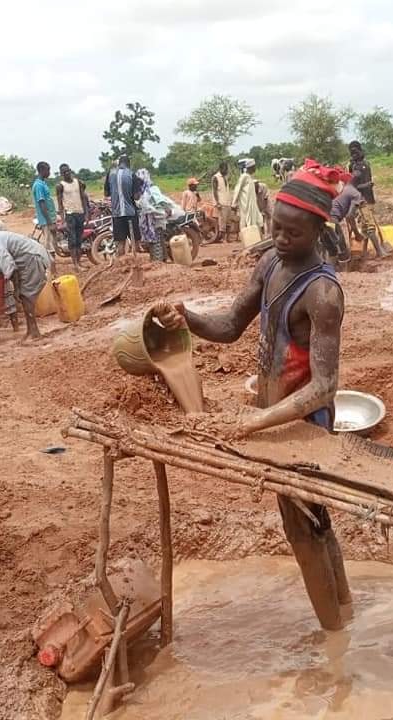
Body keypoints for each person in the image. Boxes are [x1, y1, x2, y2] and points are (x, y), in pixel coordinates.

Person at [152, 160, 352, 631]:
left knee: (304, 531)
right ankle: (344, 613)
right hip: (273, 417)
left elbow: (325, 385)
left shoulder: (322, 294)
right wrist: (189, 317)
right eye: (275, 228)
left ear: (318, 229)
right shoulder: (270, 264)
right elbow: (228, 326)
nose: (280, 239)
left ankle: (335, 648)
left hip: (304, 427)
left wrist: (254, 423)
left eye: (292, 233)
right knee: (316, 521)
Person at [331, 175, 383, 258]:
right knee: (339, 245)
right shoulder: (355, 194)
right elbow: (349, 216)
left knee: (330, 244)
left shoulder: (344, 190)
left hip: (323, 215)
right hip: (333, 218)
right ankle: (380, 252)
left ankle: (364, 254)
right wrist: (356, 233)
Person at [56, 163, 91, 270]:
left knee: (80, 239)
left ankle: (79, 262)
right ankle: (75, 264)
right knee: (73, 240)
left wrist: (86, 214)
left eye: (68, 171)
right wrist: (63, 219)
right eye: (64, 172)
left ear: (70, 170)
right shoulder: (60, 186)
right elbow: (60, 203)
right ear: (61, 174)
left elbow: (83, 198)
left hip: (80, 213)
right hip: (70, 215)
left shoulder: (78, 182)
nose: (67, 173)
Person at [136, 169, 174, 262]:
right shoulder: (143, 190)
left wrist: (166, 209)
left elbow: (160, 201)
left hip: (156, 218)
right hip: (151, 219)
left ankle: (158, 261)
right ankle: (158, 260)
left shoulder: (152, 189)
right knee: (154, 240)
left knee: (156, 239)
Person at [108, 155, 141, 253]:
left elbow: (106, 193)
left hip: (116, 214)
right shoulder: (132, 174)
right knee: (135, 241)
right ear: (128, 163)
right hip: (130, 212)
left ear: (119, 163)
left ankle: (121, 264)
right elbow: (136, 197)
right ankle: (135, 262)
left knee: (120, 243)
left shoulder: (110, 174)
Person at [231, 159, 265, 237]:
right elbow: (237, 189)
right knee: (245, 221)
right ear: (251, 167)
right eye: (254, 167)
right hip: (245, 205)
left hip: (252, 204)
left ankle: (255, 237)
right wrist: (234, 203)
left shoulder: (250, 177)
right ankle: (246, 238)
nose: (255, 169)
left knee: (258, 220)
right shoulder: (244, 176)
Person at [32, 161, 58, 258]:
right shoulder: (39, 185)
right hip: (46, 220)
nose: (49, 173)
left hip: (50, 218)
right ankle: (51, 269)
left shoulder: (43, 183)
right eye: (48, 170)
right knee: (49, 245)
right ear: (42, 170)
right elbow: (42, 204)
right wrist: (50, 222)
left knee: (53, 243)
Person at [211, 161, 232, 242]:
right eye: (225, 169)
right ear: (221, 169)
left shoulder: (225, 177)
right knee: (222, 222)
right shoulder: (215, 177)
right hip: (221, 203)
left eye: (227, 169)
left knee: (228, 221)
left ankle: (228, 238)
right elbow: (215, 191)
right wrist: (217, 203)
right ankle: (222, 238)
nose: (226, 170)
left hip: (227, 202)